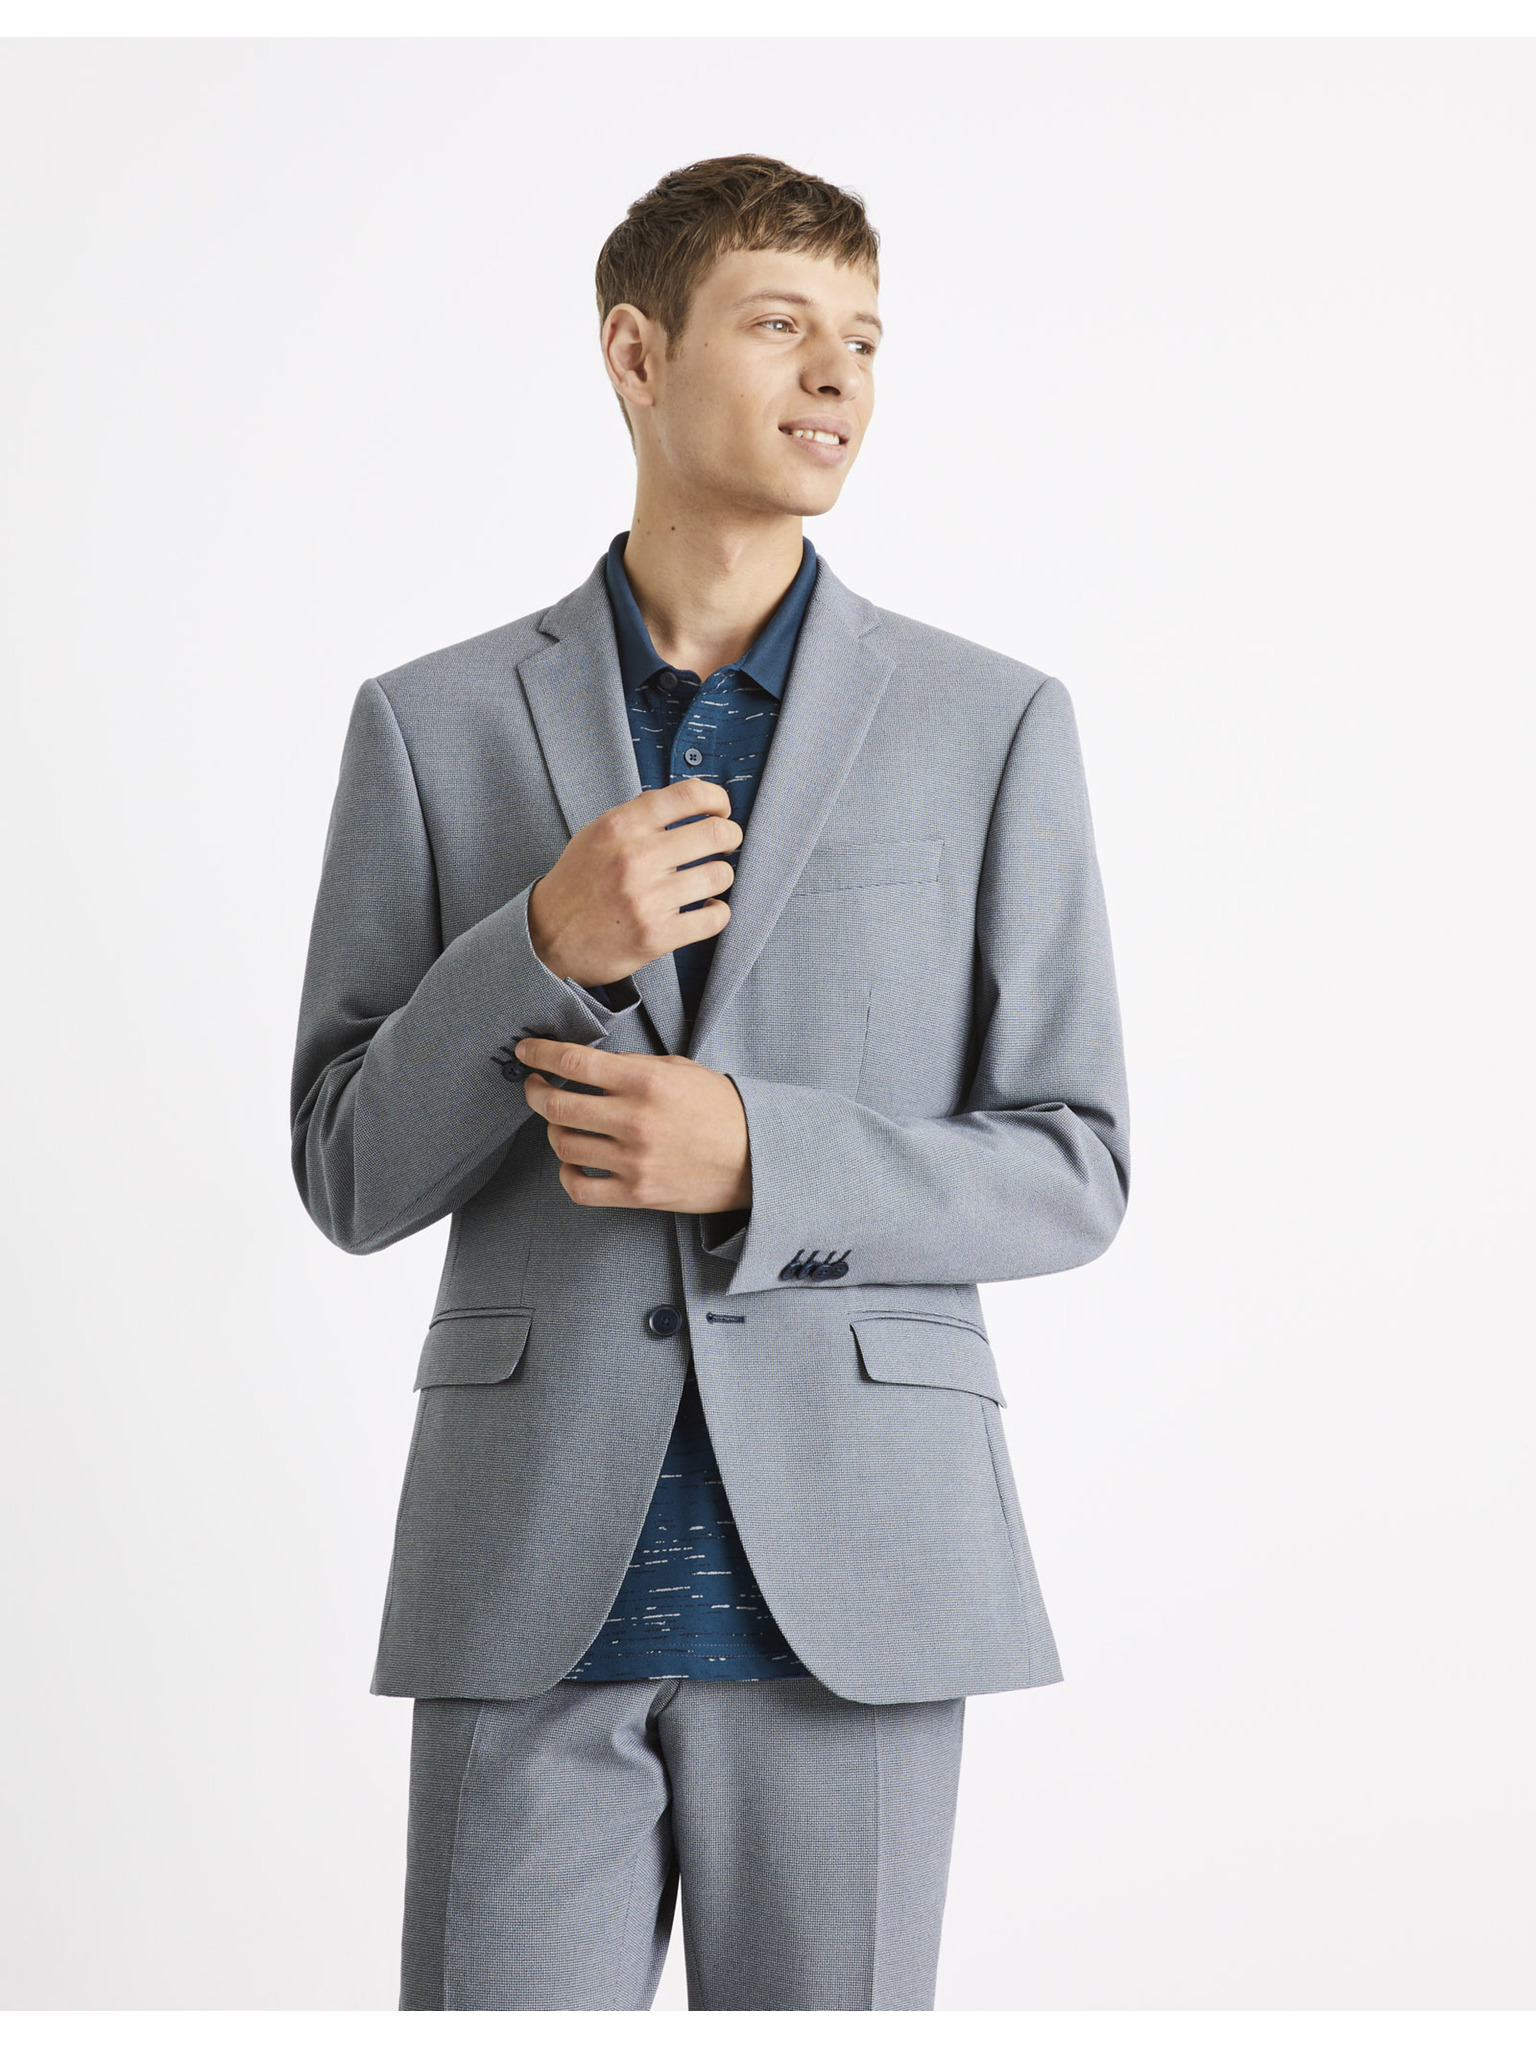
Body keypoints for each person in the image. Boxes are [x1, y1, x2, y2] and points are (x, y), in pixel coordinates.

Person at [290, 153, 1129, 2013]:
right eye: (780, 323)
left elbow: (1076, 1163)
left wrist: (765, 1156)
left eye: (865, 339)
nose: (836, 375)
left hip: (858, 1585)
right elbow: (347, 1169)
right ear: (636, 354)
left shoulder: (992, 725)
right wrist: (537, 946)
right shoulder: (430, 723)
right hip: (527, 1580)